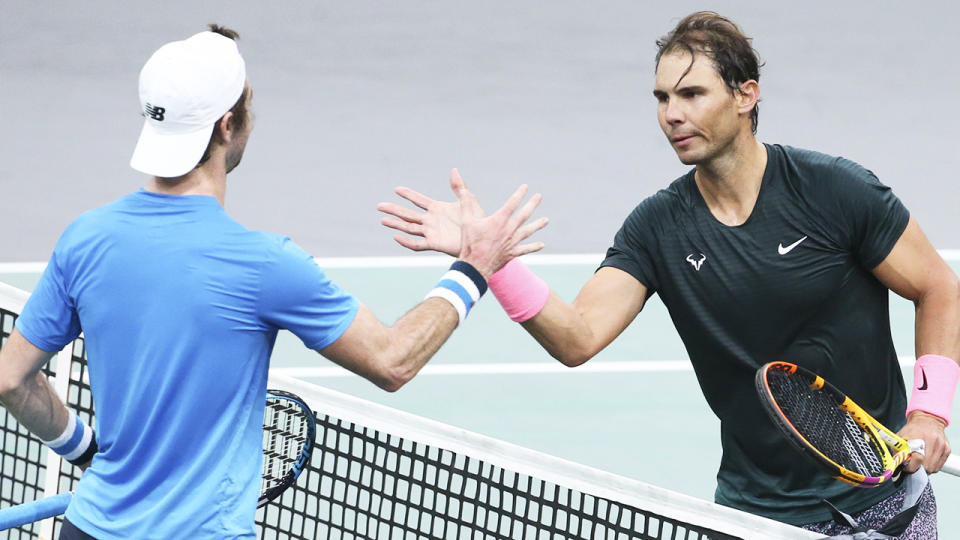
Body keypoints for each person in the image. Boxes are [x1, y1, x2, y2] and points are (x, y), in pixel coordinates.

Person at [377, 11, 960, 538]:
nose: (671, 114)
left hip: (885, 506)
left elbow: (938, 287)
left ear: (745, 95)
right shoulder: (657, 228)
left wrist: (929, 412)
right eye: (661, 97)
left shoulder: (834, 190)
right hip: (751, 514)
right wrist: (492, 262)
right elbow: (577, 338)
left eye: (691, 93)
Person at [0, 25, 547, 540]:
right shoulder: (263, 263)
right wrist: (475, 266)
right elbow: (394, 360)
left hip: (90, 528)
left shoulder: (84, 239)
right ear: (226, 126)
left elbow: (10, 380)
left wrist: (85, 451)